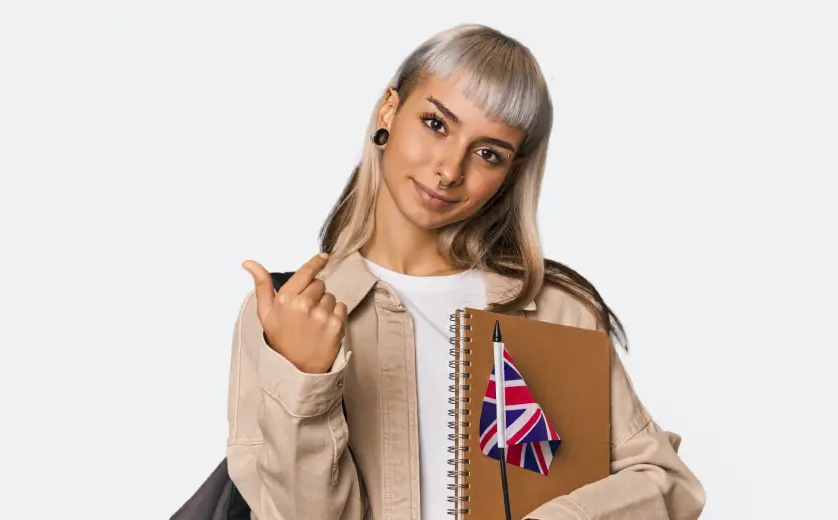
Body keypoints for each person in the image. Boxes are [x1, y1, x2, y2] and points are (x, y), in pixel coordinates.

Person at [229, 23, 705, 520]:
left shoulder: (552, 309)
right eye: (436, 124)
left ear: (510, 173)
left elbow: (665, 484)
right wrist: (307, 380)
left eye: (488, 154)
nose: (450, 170)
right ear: (390, 109)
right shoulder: (289, 313)